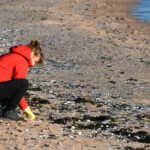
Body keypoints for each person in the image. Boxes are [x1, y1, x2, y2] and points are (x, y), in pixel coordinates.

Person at [0, 40, 44, 121]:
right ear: (34, 54)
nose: (33, 65)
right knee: (24, 84)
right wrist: (26, 109)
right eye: (35, 62)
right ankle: (9, 112)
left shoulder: (12, 55)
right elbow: (18, 88)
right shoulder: (21, 61)